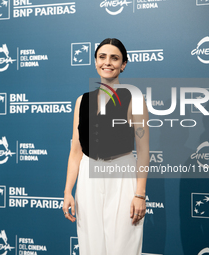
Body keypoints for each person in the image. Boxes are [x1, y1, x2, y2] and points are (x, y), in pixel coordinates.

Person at [63, 38, 149, 255]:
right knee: (91, 245)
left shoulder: (134, 99)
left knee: (124, 246)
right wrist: (68, 191)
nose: (107, 62)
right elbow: (76, 152)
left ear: (124, 64)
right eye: (102, 57)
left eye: (114, 58)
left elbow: (144, 151)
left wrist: (140, 194)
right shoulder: (82, 101)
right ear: (95, 62)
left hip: (122, 175)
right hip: (88, 177)